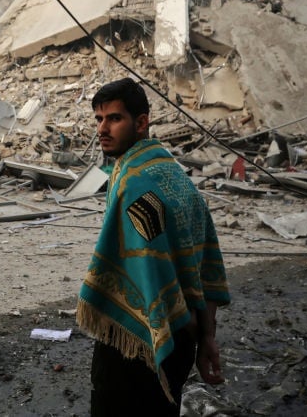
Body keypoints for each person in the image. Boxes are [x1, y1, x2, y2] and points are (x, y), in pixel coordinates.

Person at [77, 77, 230, 416]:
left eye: (114, 118)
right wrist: (206, 336)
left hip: (138, 340)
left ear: (141, 122)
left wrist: (183, 324)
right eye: (99, 119)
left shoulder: (135, 185)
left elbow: (148, 264)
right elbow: (205, 265)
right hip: (181, 343)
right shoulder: (176, 178)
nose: (103, 128)